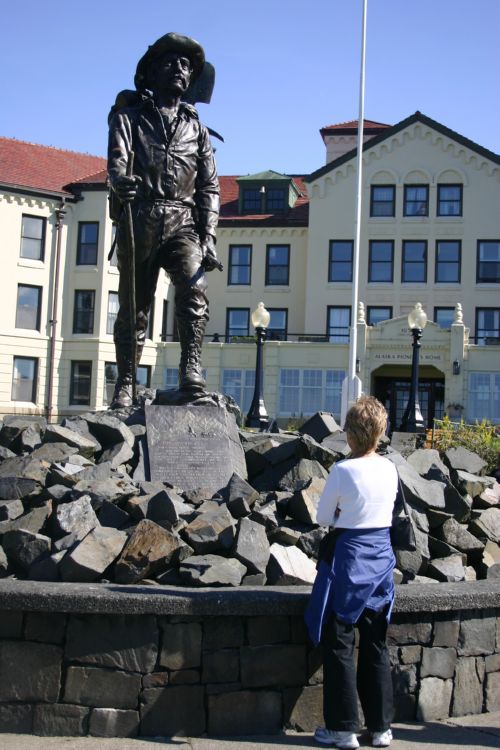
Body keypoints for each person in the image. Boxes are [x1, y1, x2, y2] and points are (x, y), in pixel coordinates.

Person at [107, 32, 220, 408]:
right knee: (134, 306)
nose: (179, 69)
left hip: (182, 222)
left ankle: (191, 368)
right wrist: (119, 182)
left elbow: (209, 187)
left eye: (186, 65)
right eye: (170, 63)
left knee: (194, 287)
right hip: (140, 218)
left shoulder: (198, 130)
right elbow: (117, 162)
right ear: (152, 72)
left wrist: (208, 237)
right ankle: (126, 382)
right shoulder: (128, 118)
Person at [305, 395, 398, 749]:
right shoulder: (390, 469)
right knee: (376, 643)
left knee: (340, 641)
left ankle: (343, 729)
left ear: (351, 434)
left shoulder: (343, 470)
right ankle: (381, 728)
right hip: (382, 559)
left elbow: (323, 517)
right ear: (380, 432)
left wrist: (344, 514)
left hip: (350, 559)